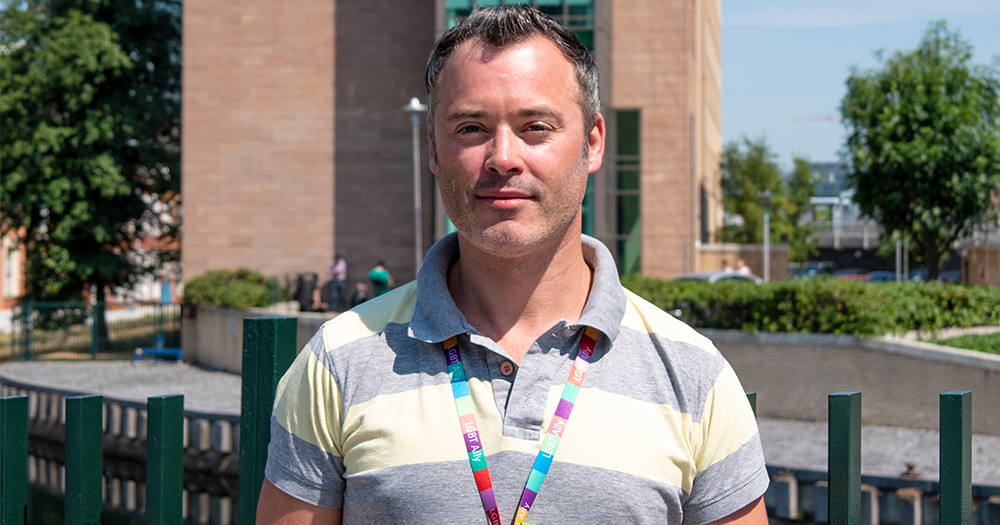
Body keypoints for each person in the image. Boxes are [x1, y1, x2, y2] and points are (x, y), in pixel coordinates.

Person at [258, 6, 768, 524]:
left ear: (592, 143)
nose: (503, 156)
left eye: (536, 127)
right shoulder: (338, 364)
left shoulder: (694, 374)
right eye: (472, 127)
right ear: (433, 147)